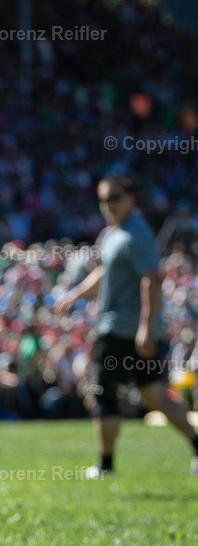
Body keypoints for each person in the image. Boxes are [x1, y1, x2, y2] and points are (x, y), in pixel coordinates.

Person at [55, 176, 198, 478]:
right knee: (154, 396)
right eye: (104, 199)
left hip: (121, 329)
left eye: (115, 197)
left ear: (132, 197)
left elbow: (152, 278)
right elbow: (108, 272)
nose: (109, 205)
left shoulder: (136, 233)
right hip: (126, 328)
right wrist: (75, 295)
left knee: (105, 393)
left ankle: (105, 466)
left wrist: (146, 326)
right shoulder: (114, 233)